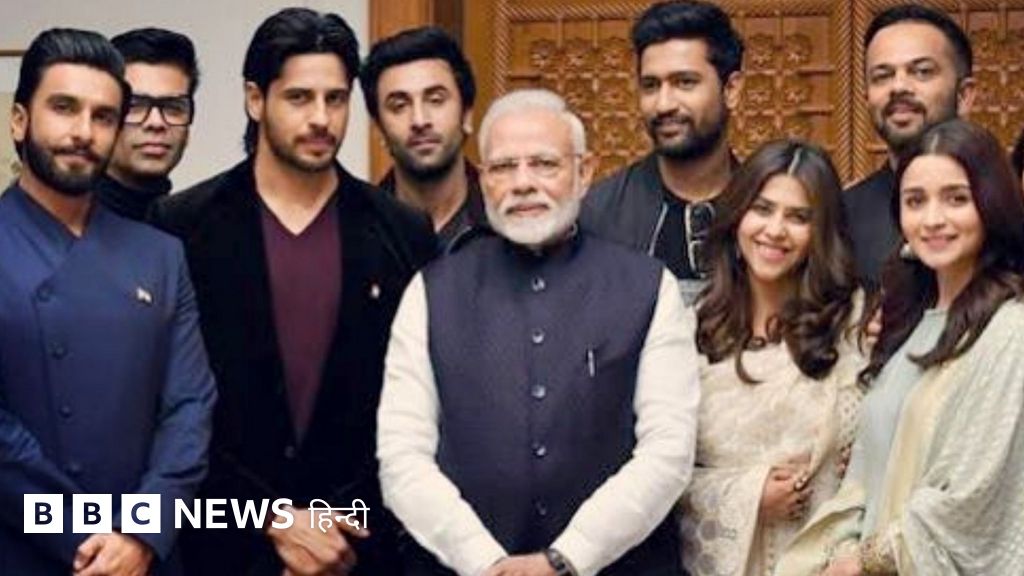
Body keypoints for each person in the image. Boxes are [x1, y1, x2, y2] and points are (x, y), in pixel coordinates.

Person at [151, 9, 436, 576]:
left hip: (359, 544)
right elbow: (170, 405)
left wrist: (335, 527)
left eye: (336, 99)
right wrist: (269, 518)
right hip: (225, 547)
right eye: (300, 98)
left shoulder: (401, 231)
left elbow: (417, 401)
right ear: (255, 100)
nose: (321, 119)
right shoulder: (182, 227)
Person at [378, 89, 699, 576]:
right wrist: (485, 561)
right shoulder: (431, 291)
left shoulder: (649, 287)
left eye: (545, 164)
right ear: (484, 181)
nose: (523, 183)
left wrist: (567, 557)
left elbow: (668, 453)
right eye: (503, 167)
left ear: (584, 172)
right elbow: (402, 457)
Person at [0, 28, 216, 576]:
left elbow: (190, 406)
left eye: (103, 117)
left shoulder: (160, 254)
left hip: (145, 555)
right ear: (19, 121)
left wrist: (141, 532)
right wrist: (85, 540)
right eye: (64, 108)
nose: (83, 132)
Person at [777, 119, 1024, 575]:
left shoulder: (1009, 331)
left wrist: (864, 560)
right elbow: (868, 468)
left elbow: (972, 501)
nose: (932, 219)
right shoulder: (908, 317)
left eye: (956, 199)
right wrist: (840, 546)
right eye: (915, 201)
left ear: (991, 205)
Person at [680, 140, 864, 575]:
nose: (775, 230)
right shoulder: (689, 330)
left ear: (820, 233)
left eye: (798, 217)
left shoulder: (855, 322)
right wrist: (749, 497)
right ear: (737, 216)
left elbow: (892, 448)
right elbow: (659, 473)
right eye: (762, 209)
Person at [582, 0, 743, 302]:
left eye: (685, 82)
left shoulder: (768, 212)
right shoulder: (597, 216)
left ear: (731, 90)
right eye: (651, 86)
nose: (664, 104)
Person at [843, 5, 976, 288]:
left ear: (964, 95)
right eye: (882, 76)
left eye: (922, 72)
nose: (899, 87)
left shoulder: (1003, 205)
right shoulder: (841, 214)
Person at [361, 26, 485, 251]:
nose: (419, 120)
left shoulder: (507, 221)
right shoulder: (355, 230)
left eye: (435, 100)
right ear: (379, 129)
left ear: (467, 114)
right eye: (399, 106)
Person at [94, 27, 199, 221]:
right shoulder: (60, 225)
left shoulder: (197, 227)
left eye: (173, 107)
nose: (156, 122)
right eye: (134, 106)